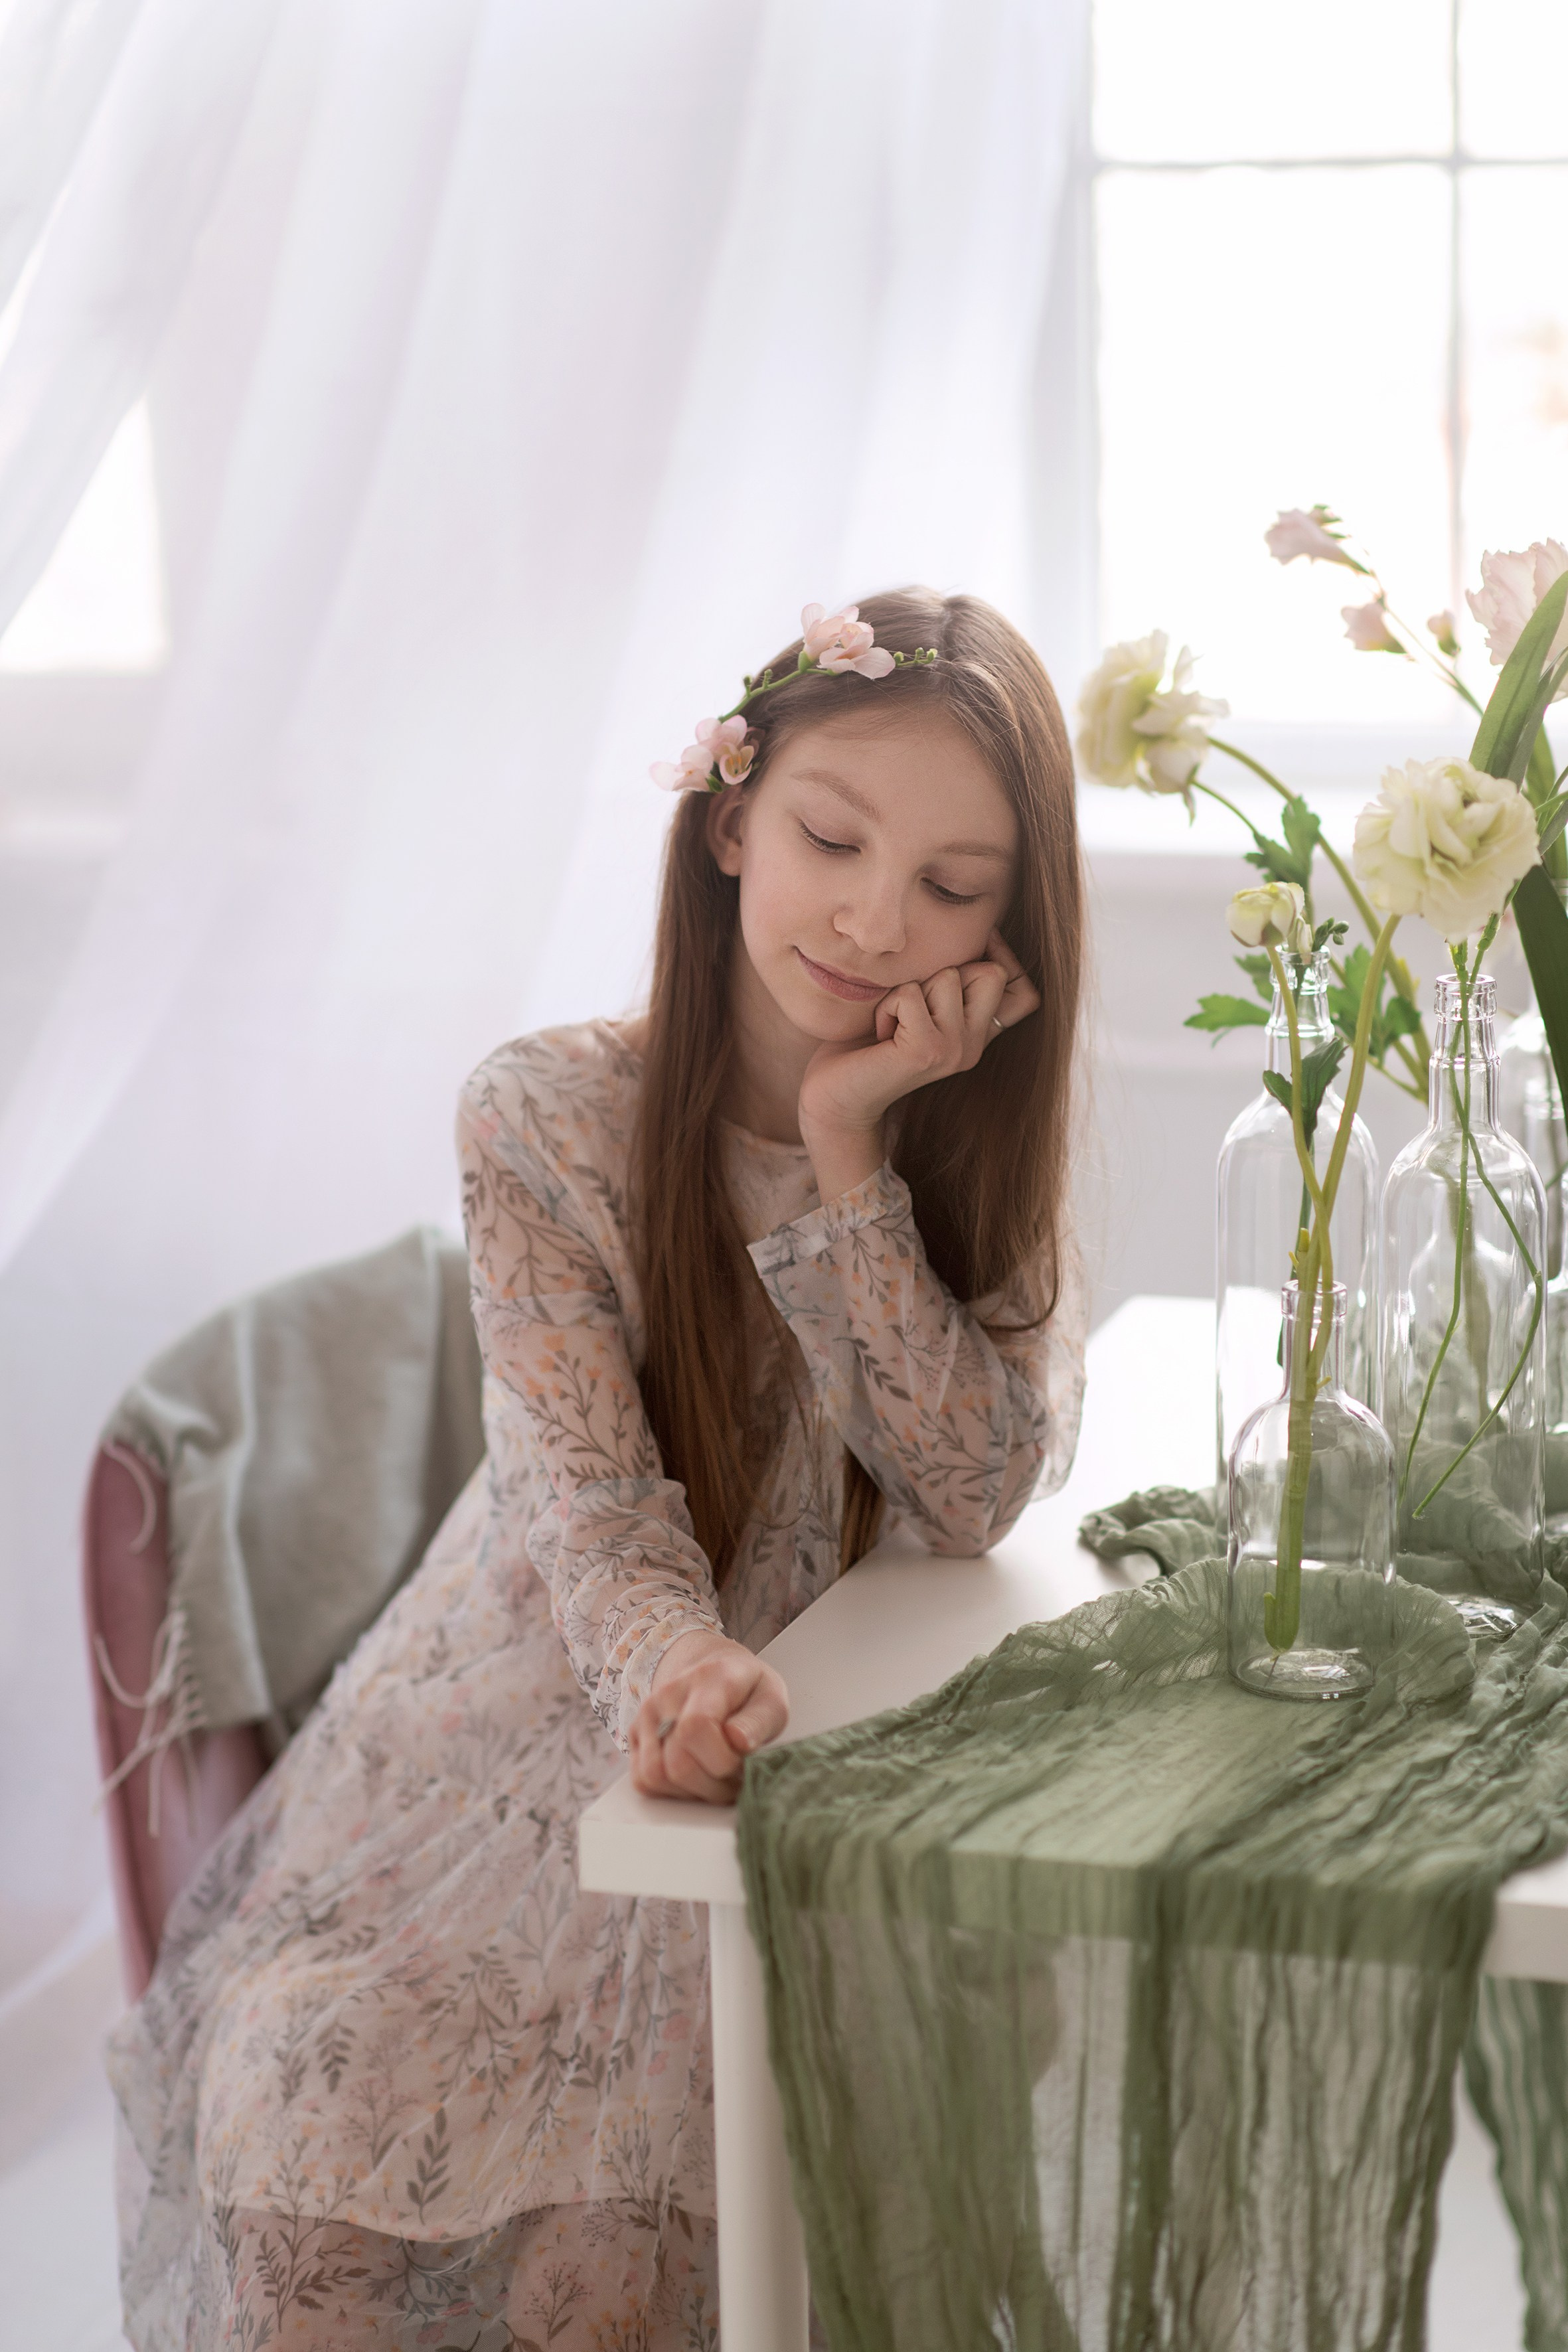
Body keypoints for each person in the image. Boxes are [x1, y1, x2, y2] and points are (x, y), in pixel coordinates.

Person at [110, 587, 1089, 2349]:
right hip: (524, 1746)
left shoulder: (961, 1149)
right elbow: (590, 1497)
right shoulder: (544, 1114)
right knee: (310, 2096)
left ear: (1011, 930)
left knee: (627, 2266)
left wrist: (846, 1151)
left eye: (952, 888)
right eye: (830, 839)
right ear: (728, 822)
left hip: (805, 1780)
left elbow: (968, 1490)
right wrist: (674, 1670)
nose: (875, 919)